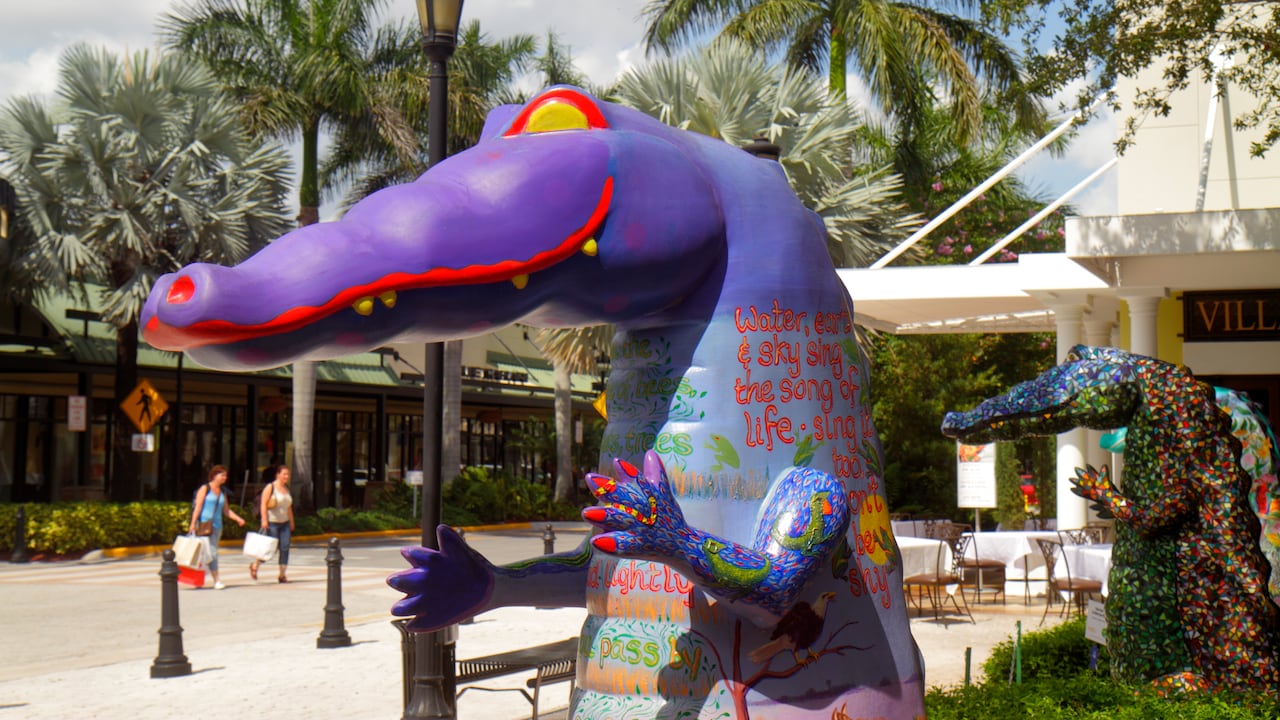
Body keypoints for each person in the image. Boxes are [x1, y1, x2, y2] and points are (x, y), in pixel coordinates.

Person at [189, 465, 246, 590]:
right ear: (214, 475)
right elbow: (197, 507)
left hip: (217, 526)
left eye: (226, 476)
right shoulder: (205, 488)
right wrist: (193, 523)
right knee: (211, 552)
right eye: (222, 475)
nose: (225, 478)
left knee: (208, 553)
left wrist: (238, 519)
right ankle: (216, 580)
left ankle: (198, 580)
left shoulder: (222, 492)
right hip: (204, 525)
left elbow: (226, 510)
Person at [250, 464, 295, 583]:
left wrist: (291, 521)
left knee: (285, 547)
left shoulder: (286, 489)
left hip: (284, 522)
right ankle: (255, 565)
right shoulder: (270, 487)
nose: (286, 476)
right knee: (270, 548)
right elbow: (263, 504)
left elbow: (289, 507)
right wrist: (264, 520)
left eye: (288, 474)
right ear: (278, 475)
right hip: (272, 522)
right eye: (284, 474)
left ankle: (282, 574)